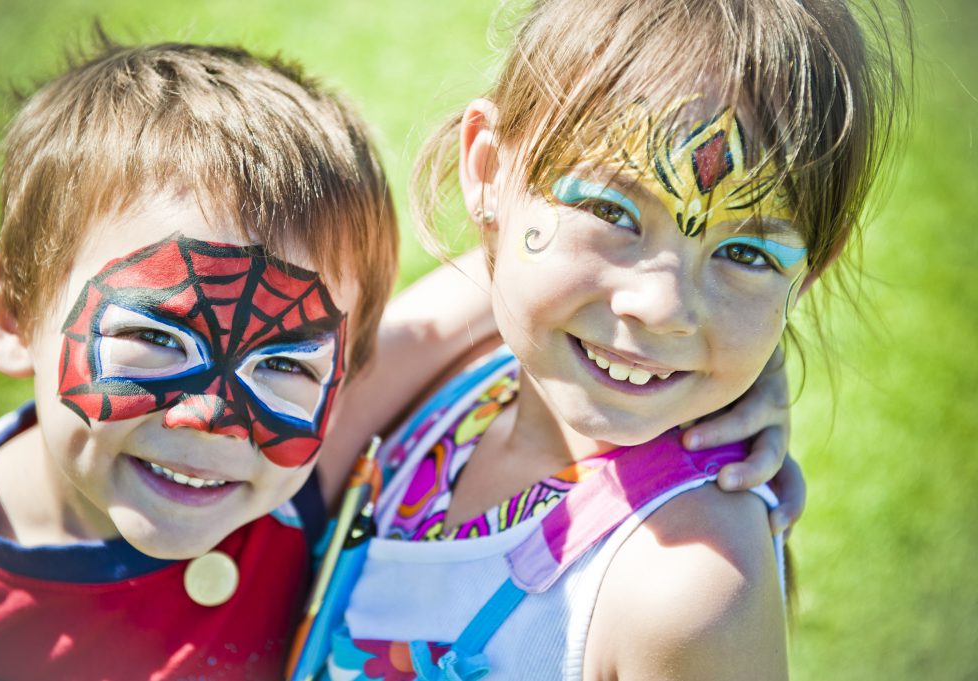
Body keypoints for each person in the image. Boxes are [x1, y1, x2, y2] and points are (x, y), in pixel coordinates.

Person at [0, 34, 803, 681]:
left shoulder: (291, 461)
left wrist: (720, 347)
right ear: (14, 311)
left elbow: (533, 290)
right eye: (156, 338)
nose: (210, 415)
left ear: (347, 368)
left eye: (283, 362)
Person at [324, 0, 911, 679]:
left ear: (805, 278)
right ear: (488, 171)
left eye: (748, 254)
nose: (662, 307)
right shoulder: (451, 369)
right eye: (610, 210)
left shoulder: (687, 589)